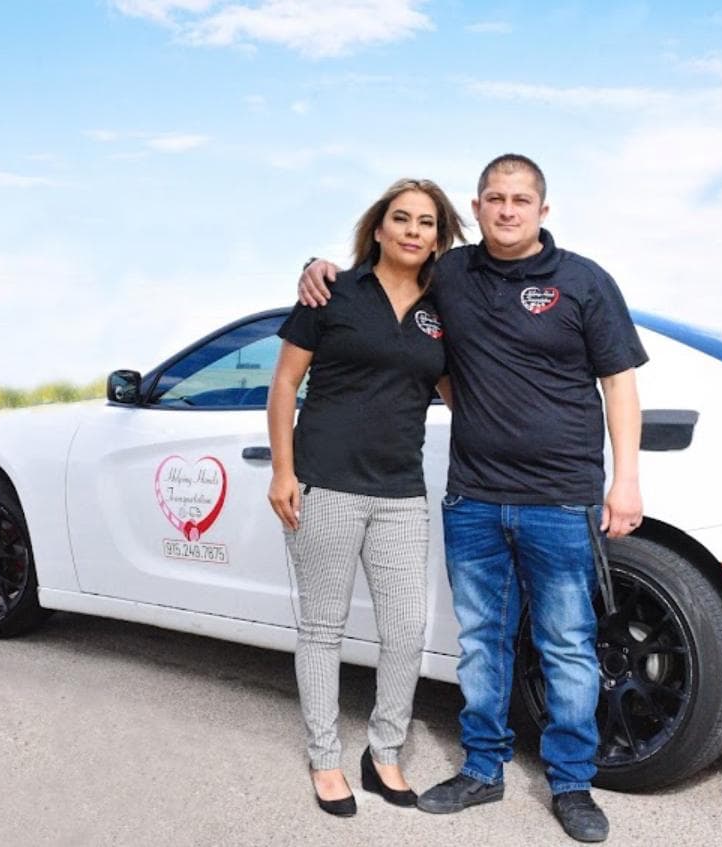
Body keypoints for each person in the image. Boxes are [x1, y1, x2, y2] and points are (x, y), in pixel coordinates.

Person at [297, 154, 647, 843]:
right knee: (482, 643)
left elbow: (620, 382)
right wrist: (317, 265)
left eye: (521, 199)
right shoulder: (449, 275)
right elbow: (382, 273)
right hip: (475, 498)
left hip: (561, 495)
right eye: (494, 198)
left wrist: (625, 477)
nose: (507, 209)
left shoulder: (584, 282)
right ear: (478, 207)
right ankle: (482, 768)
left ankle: (571, 783)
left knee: (568, 646)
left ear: (543, 210)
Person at [267, 178, 466, 817]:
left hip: (401, 492)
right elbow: (283, 385)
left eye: (426, 222)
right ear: (378, 229)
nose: (413, 230)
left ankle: (384, 753)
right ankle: (325, 759)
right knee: (322, 630)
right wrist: (282, 472)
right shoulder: (332, 292)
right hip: (325, 484)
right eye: (400, 218)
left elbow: (457, 393)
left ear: (440, 236)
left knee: (406, 630)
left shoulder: (443, 309)